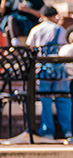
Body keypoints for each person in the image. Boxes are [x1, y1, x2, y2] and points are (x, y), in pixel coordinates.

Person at [27, 5, 71, 139]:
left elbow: (30, 48)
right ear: (53, 16)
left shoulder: (36, 30)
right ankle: (68, 131)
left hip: (42, 70)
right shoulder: (60, 30)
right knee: (63, 99)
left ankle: (47, 131)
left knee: (45, 100)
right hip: (59, 70)